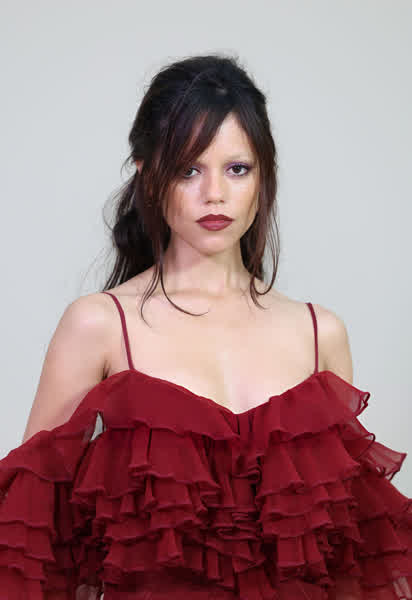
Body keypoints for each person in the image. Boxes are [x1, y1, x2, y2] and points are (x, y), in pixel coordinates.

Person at [0, 53, 411, 600]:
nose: (214, 193)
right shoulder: (100, 324)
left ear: (264, 177)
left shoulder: (320, 334)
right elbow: (31, 542)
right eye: (188, 169)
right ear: (148, 175)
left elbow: (345, 562)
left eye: (237, 168)